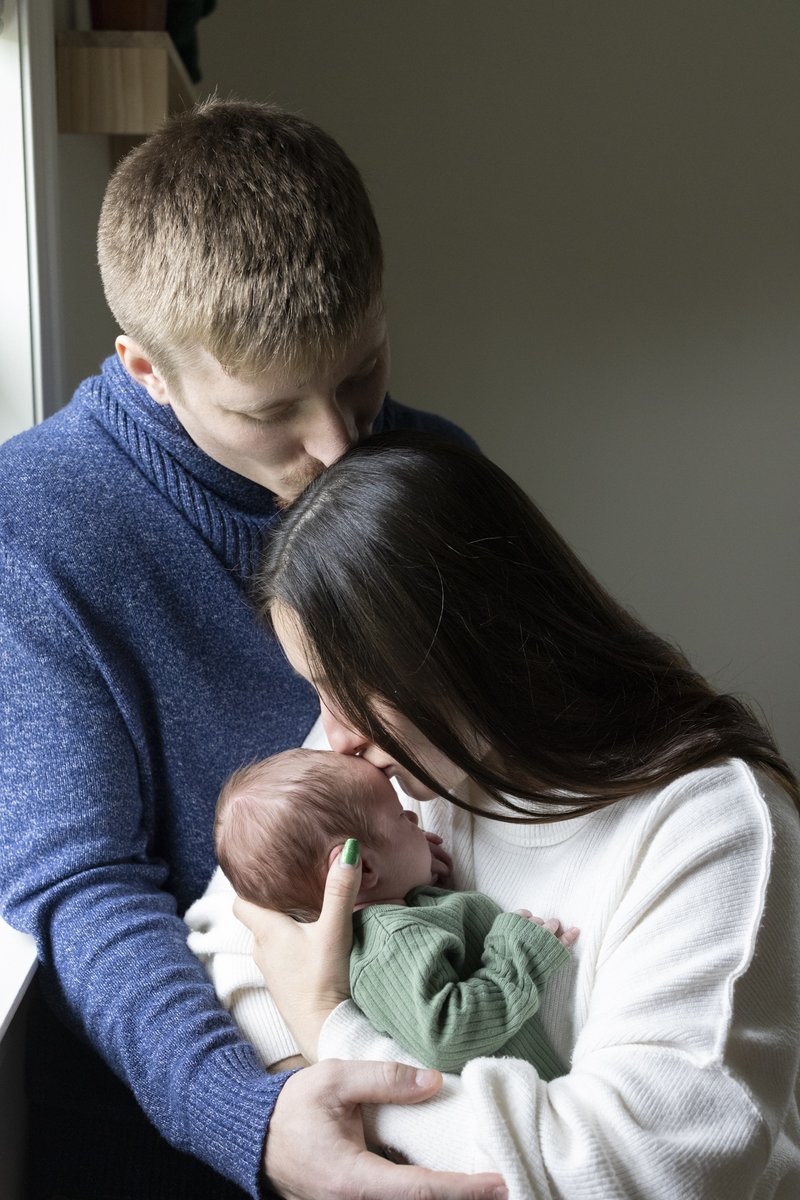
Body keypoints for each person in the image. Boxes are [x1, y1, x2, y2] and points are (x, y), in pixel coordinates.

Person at [0, 100, 507, 1200]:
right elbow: (85, 887)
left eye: (361, 372)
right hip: (166, 1135)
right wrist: (258, 1117)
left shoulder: (433, 466)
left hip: (456, 1077)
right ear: (145, 370)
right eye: (270, 409)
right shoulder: (30, 525)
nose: (339, 445)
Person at [225, 431, 800, 1199]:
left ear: (471, 649)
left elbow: (636, 1168)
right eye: (317, 692)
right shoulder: (386, 765)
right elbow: (237, 938)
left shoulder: (711, 826)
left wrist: (331, 1028)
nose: (335, 737)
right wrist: (317, 1109)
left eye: (353, 689)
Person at [196, 746, 577, 1079]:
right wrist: (517, 960)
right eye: (400, 817)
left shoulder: (389, 922)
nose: (414, 820)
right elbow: (445, 1033)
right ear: (363, 869)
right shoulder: (390, 943)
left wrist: (412, 871)